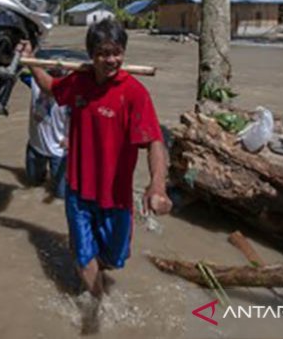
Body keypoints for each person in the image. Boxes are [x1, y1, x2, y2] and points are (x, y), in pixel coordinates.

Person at [19, 18, 171, 302]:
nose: (110, 60)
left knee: (114, 259)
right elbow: (51, 87)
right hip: (79, 191)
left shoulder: (135, 93)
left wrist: (157, 186)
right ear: (91, 55)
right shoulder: (79, 82)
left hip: (116, 198)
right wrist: (30, 60)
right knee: (84, 257)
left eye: (116, 53)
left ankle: (93, 271)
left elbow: (154, 141)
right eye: (102, 53)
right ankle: (98, 309)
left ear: (123, 53)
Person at [20, 67, 69, 198]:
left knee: (61, 195)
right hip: (36, 147)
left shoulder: (71, 96)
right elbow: (19, 70)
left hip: (59, 153)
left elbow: (84, 120)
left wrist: (73, 138)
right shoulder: (36, 83)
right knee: (33, 183)